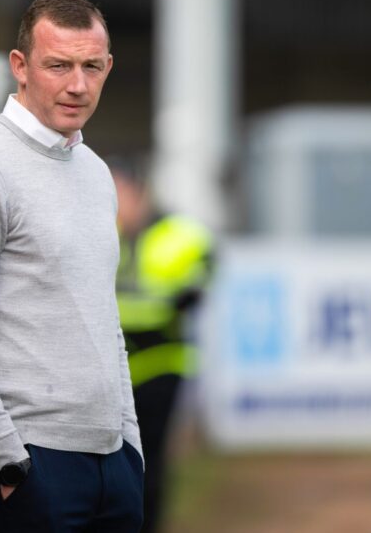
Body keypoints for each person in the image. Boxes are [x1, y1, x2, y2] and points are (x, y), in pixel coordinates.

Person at [0, 0, 144, 532]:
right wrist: (8, 461)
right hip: (22, 467)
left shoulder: (95, 172)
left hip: (110, 465)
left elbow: (104, 319)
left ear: (108, 67)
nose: (78, 84)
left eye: (92, 66)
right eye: (59, 65)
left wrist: (130, 447)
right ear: (19, 67)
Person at [112, 159, 214, 533]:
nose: (113, 202)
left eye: (119, 191)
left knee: (149, 460)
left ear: (139, 191)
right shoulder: (100, 232)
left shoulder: (180, 234)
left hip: (161, 364)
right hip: (113, 368)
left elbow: (195, 286)